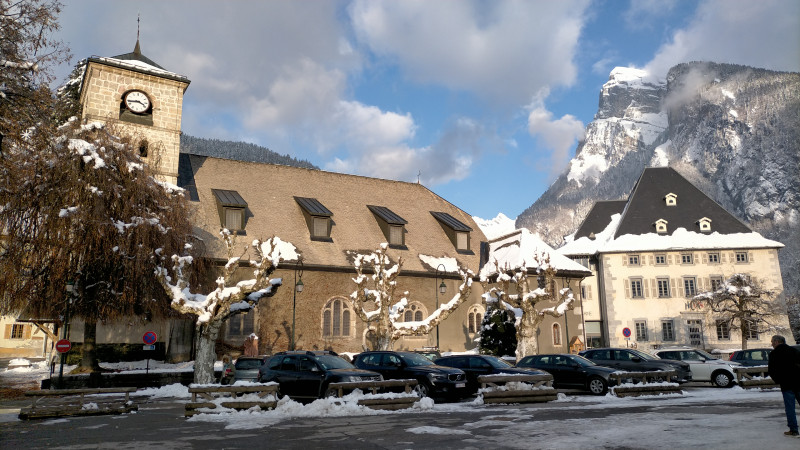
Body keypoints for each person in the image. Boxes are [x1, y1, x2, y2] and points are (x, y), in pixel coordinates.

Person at [768, 335, 800, 437]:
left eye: (772, 342)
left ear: (777, 342)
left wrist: (778, 380)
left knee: (790, 408)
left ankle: (794, 430)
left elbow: (772, 370)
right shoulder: (793, 351)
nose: (772, 344)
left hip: (786, 384)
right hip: (798, 382)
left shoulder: (774, 354)